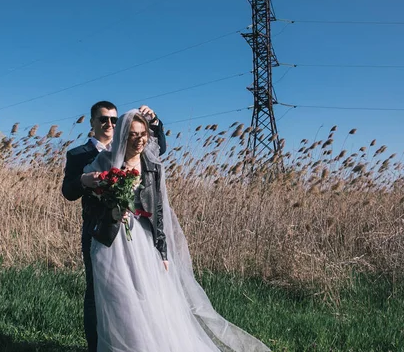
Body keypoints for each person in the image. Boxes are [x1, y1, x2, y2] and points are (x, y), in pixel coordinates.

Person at [84, 109, 271, 352]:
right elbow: (89, 200)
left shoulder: (152, 166)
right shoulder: (105, 163)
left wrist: (162, 251)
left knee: (150, 300)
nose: (139, 139)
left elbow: (160, 211)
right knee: (120, 301)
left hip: (143, 241)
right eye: (133, 134)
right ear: (122, 136)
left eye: (143, 134)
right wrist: (101, 198)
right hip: (113, 243)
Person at [61, 101, 166, 352]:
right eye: (103, 119)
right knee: (96, 293)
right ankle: (96, 345)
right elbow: (68, 190)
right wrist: (84, 181)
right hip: (98, 231)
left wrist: (156, 123)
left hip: (133, 234)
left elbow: (156, 147)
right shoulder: (79, 155)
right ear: (93, 123)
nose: (109, 124)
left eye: (114, 120)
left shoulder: (130, 144)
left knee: (135, 290)